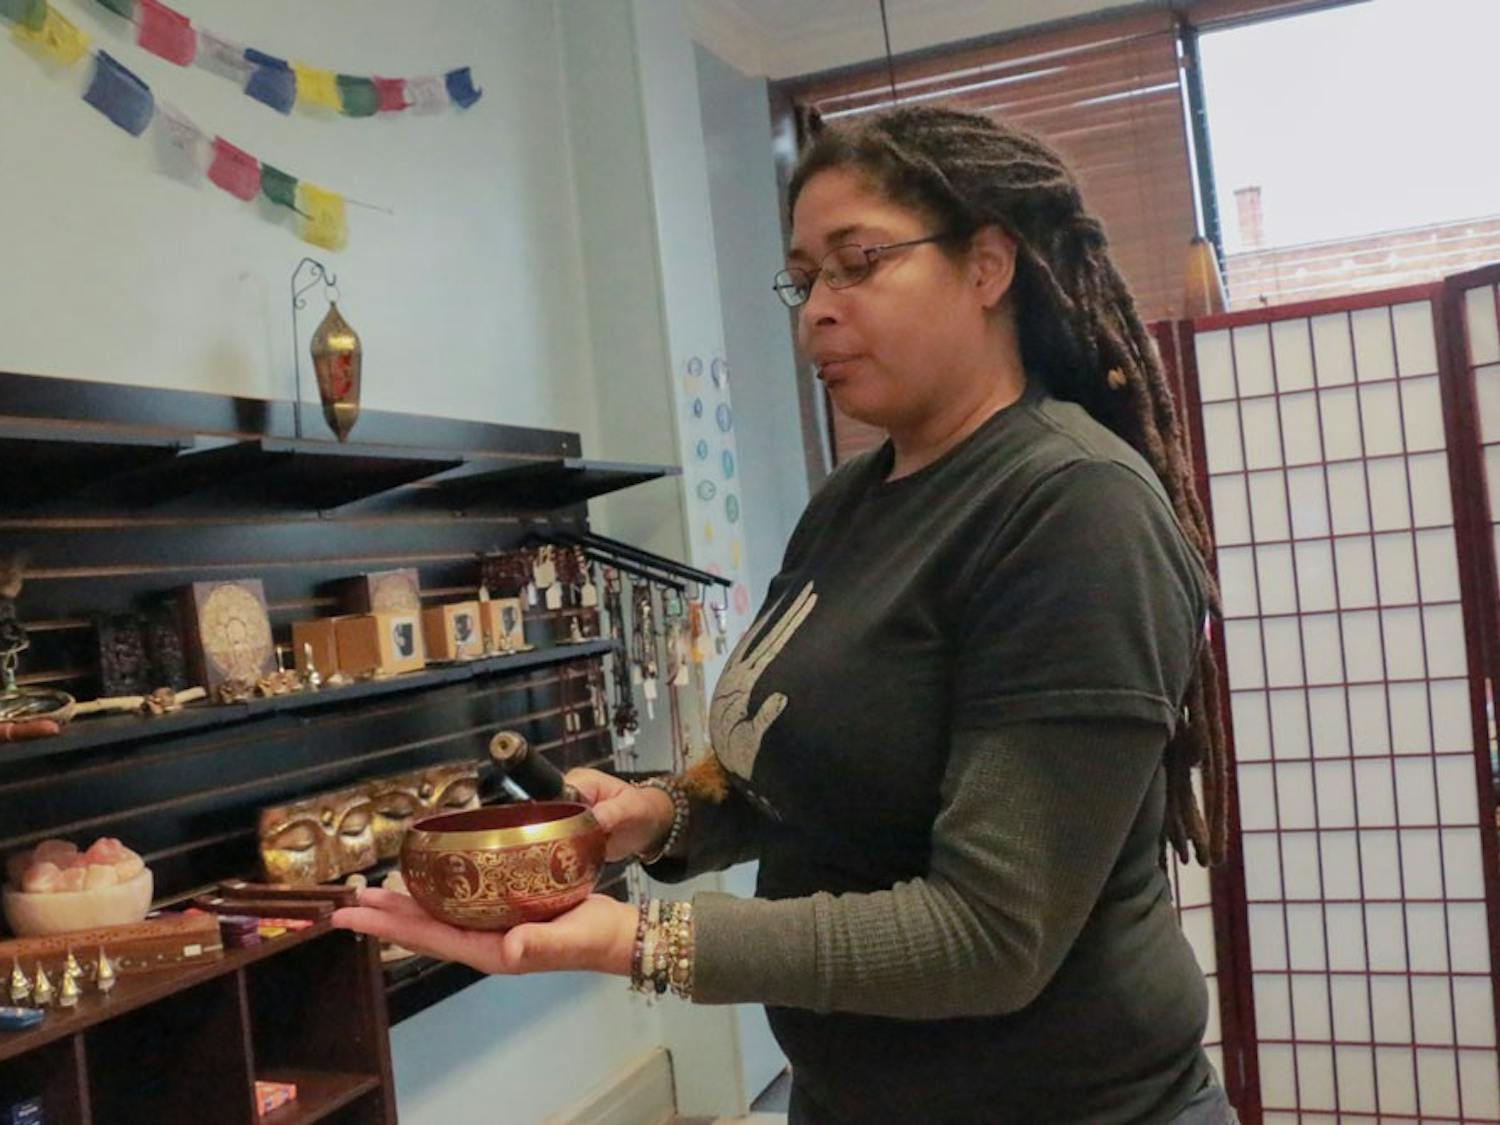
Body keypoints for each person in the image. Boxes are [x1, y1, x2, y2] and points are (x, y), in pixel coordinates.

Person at [334, 104, 1236, 1124]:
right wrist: (658, 818)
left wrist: (631, 940)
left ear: (989, 266)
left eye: (859, 263)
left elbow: (992, 937)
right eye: (805, 278)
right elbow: (824, 773)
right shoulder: (850, 505)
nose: (816, 309)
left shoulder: (1074, 509)